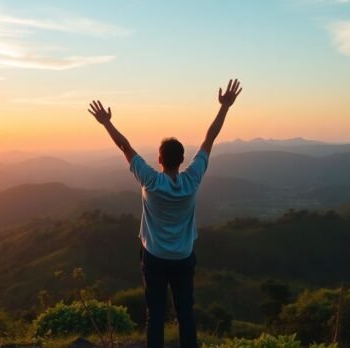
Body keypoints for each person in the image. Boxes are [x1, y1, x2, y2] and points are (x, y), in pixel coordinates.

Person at [87, 79, 242, 348]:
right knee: (185, 313)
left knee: (155, 315)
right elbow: (209, 139)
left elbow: (124, 146)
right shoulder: (192, 179)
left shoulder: (150, 180)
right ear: (182, 160)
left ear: (159, 159)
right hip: (183, 258)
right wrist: (224, 108)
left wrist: (106, 123)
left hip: (155, 257)